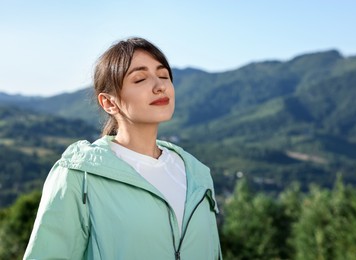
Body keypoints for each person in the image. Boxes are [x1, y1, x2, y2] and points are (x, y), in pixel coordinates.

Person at [23, 37, 222, 260]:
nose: (160, 86)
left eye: (164, 75)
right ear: (108, 102)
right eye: (140, 79)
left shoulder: (198, 175)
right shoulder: (79, 175)